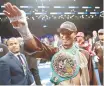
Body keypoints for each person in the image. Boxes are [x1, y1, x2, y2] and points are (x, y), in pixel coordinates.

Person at [3, 2, 97, 85]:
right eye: (62, 33)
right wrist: (24, 30)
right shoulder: (55, 52)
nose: (64, 35)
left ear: (75, 34)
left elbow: (92, 79)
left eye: (68, 33)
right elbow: (36, 48)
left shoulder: (85, 54)